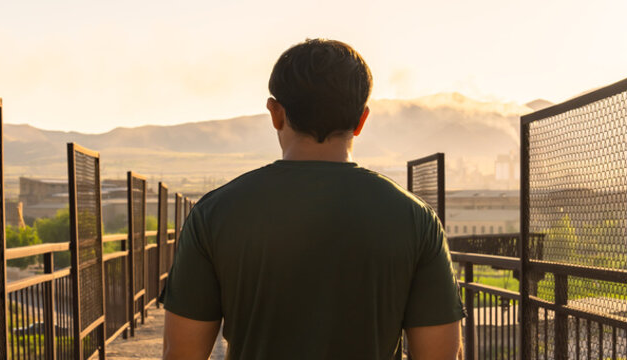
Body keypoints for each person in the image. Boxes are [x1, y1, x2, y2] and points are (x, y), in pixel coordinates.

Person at [160, 38, 464, 359]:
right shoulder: (415, 219)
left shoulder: (215, 213)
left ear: (275, 113)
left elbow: (181, 354)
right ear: (361, 120)